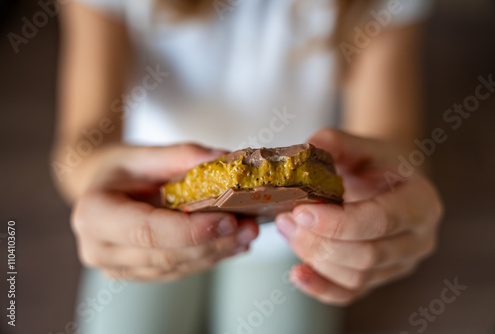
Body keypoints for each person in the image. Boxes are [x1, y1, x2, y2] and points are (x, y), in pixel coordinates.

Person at [52, 0, 443, 333]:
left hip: (297, 227)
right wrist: (95, 181)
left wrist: (395, 187)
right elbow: (80, 148)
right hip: (148, 206)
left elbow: (391, 138)